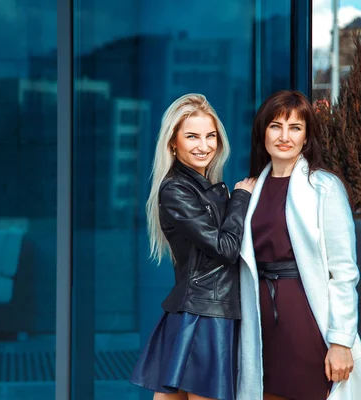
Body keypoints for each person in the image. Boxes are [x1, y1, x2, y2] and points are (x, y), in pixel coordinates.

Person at [236, 91, 361, 400]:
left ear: (306, 137)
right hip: (259, 322)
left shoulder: (324, 187)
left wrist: (341, 341)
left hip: (307, 319)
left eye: (295, 128)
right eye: (276, 126)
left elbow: (343, 272)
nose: (284, 136)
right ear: (263, 133)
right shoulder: (250, 189)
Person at [130, 93, 255, 400]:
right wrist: (240, 198)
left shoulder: (203, 187)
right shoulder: (176, 189)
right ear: (173, 143)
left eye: (210, 135)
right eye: (192, 136)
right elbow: (226, 248)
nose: (204, 145)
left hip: (197, 313)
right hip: (204, 317)